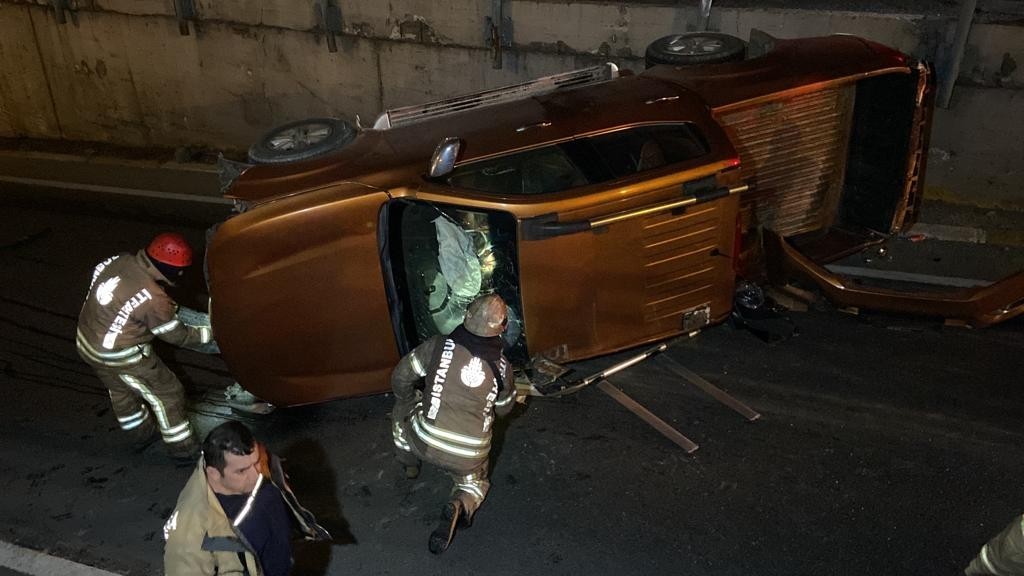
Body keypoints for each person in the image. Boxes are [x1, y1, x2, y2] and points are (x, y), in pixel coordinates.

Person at [390, 293, 517, 554]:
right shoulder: (504, 368)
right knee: (475, 483)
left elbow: (401, 375)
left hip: (425, 441)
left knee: (402, 410)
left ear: (466, 314)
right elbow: (505, 410)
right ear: (503, 327)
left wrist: (408, 398)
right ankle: (461, 502)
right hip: (469, 455)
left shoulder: (437, 346)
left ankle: (408, 463)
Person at [76, 232, 213, 459]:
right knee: (168, 394)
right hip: (122, 355)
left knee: (121, 390)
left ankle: (140, 435)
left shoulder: (118, 260)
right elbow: (177, 336)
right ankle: (183, 450)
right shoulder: (153, 297)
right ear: (173, 270)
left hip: (87, 342)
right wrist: (211, 334)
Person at [163, 421, 293, 576]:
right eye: (242, 471)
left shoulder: (252, 460)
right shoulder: (190, 533)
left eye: (256, 462)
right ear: (214, 474)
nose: (256, 475)